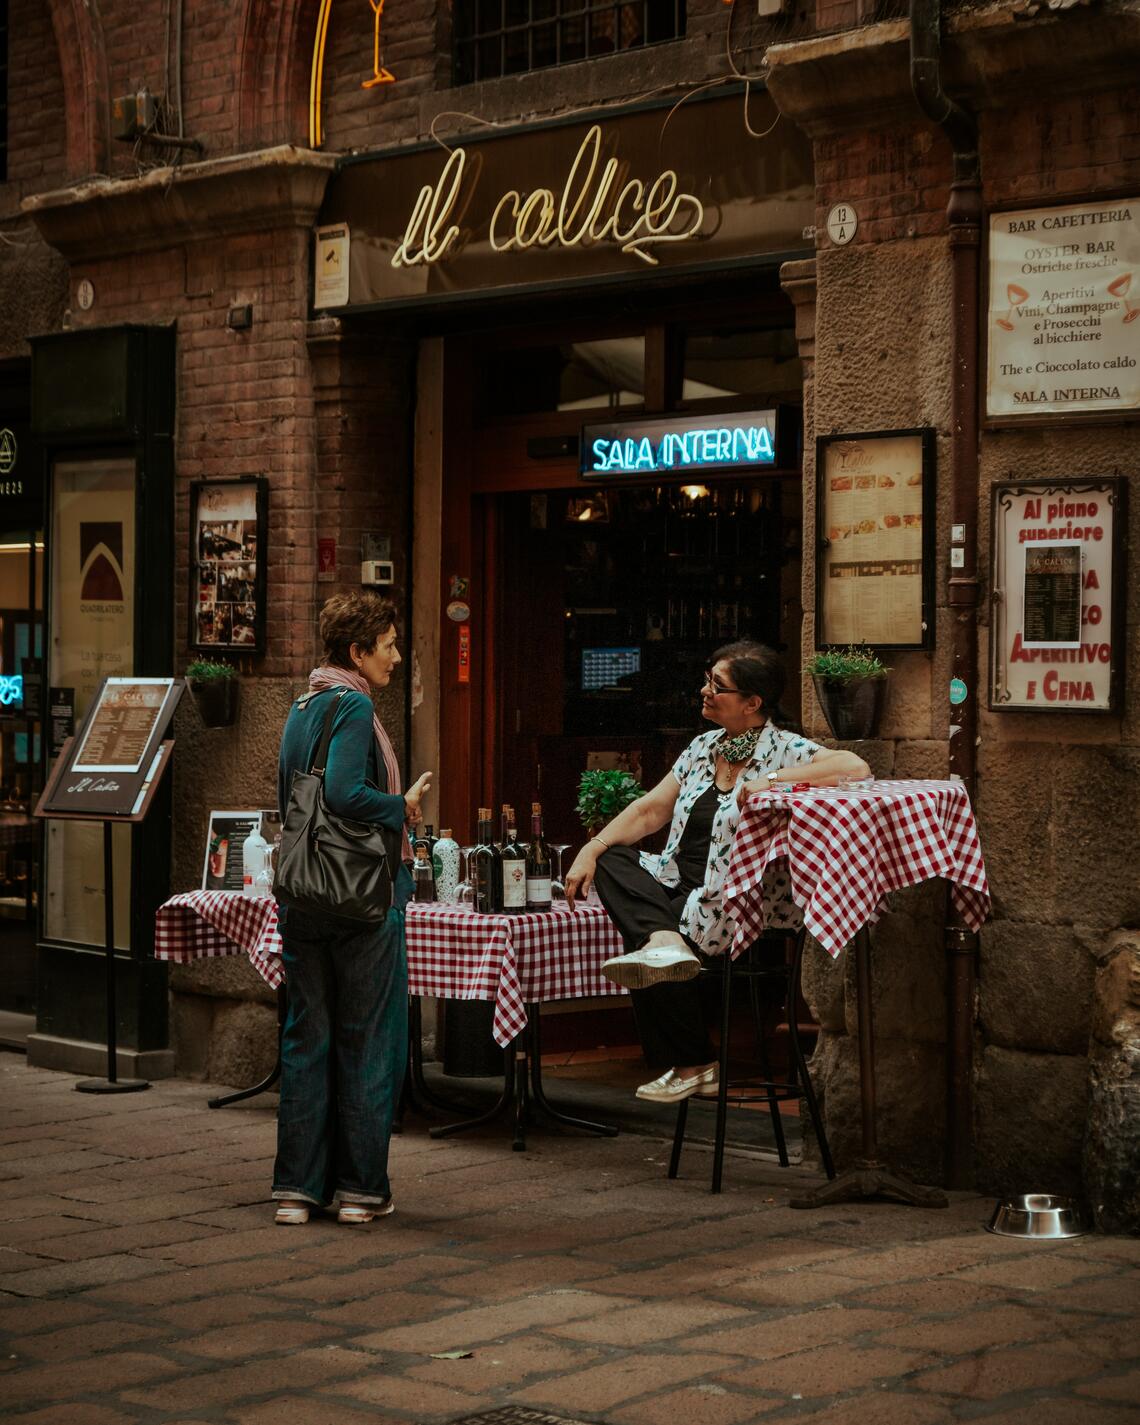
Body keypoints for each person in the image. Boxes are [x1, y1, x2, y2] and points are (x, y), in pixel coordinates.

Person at [563, 641, 870, 1106]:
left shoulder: (786, 750)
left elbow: (855, 766)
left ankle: (690, 1059)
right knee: (612, 861)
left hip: (736, 895)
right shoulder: (702, 747)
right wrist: (592, 847)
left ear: (753, 702)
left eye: (717, 685)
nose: (704, 691)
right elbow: (650, 812)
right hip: (675, 881)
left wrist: (768, 781)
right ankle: (664, 944)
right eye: (708, 680)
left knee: (642, 939)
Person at [272, 593, 432, 1226]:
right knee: (369, 1040)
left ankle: (296, 1191)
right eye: (388, 645)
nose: (396, 655)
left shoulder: (303, 705)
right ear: (358, 652)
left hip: (304, 894)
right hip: (363, 897)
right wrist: (402, 807)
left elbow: (296, 795)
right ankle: (362, 1190)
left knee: (306, 1038)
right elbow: (344, 793)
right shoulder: (357, 704)